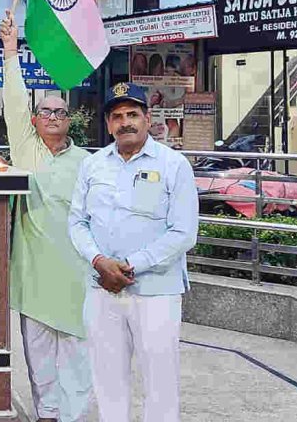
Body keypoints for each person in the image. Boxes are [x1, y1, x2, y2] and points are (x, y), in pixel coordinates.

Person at [68, 82, 199, 422]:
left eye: (132, 114)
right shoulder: (93, 165)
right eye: (116, 116)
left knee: (160, 382)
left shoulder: (174, 165)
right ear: (108, 123)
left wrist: (129, 266)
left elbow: (184, 232)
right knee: (107, 381)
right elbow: (77, 222)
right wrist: (99, 262)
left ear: (147, 118)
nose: (125, 122)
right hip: (102, 288)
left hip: (155, 290)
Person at [0, 11, 92, 421]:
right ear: (35, 119)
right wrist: (10, 50)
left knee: (76, 356)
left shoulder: (88, 163)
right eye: (46, 111)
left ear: (69, 120)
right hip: (33, 277)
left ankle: (73, 416)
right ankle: (48, 415)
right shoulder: (25, 150)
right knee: (38, 358)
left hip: (77, 277)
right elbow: (14, 100)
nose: (53, 116)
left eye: (60, 111)